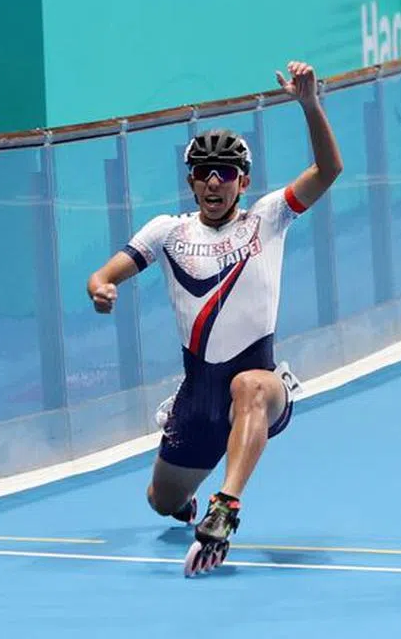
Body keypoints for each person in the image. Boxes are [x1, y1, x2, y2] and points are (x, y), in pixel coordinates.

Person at [86, 60, 343, 577]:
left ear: (242, 181)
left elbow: (328, 170)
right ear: (191, 181)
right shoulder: (168, 231)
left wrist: (310, 105)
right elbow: (105, 273)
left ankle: (225, 507)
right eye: (203, 172)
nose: (213, 181)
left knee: (250, 386)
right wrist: (101, 288)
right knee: (161, 500)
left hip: (260, 385)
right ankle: (187, 502)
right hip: (198, 398)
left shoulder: (268, 218)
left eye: (224, 172)